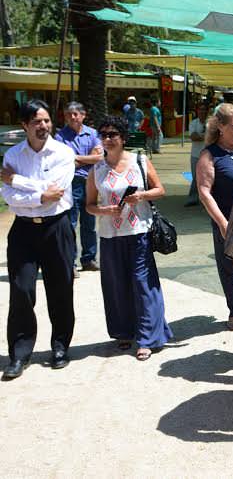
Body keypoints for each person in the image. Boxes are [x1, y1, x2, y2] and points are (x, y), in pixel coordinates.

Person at [85, 116, 172, 360]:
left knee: (142, 283)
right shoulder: (97, 169)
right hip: (110, 235)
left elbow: (160, 190)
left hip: (138, 233)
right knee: (115, 285)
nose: (108, 139)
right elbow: (89, 205)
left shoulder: (139, 161)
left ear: (123, 138)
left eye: (113, 134)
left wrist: (141, 195)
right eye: (103, 134)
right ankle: (123, 332)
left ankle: (147, 337)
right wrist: (103, 210)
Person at [1, 100, 76, 380]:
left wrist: (18, 182)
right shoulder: (13, 155)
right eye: (36, 122)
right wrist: (38, 196)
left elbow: (55, 192)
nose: (43, 126)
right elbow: (8, 198)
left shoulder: (63, 153)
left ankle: (60, 347)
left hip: (56, 227)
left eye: (46, 121)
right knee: (21, 290)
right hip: (23, 231)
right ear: (24, 125)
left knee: (61, 289)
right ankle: (19, 355)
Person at [196, 103, 233, 331]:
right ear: (220, 127)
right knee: (230, 265)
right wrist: (222, 223)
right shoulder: (210, 155)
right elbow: (204, 191)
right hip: (227, 219)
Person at [55, 101, 103, 274]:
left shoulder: (93, 134)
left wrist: (76, 158)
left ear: (83, 115)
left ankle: (89, 259)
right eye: (69, 114)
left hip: (91, 182)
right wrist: (88, 157)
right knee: (71, 224)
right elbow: (64, 161)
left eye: (76, 113)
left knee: (89, 222)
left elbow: (99, 158)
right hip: (71, 183)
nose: (72, 117)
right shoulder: (60, 137)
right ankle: (71, 263)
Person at [186, 107, 208, 206]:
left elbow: (214, 137)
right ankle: (193, 198)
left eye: (204, 110)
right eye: (200, 110)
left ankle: (206, 199)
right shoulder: (193, 123)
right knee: (195, 176)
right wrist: (206, 136)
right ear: (197, 112)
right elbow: (194, 137)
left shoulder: (211, 124)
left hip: (208, 155)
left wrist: (201, 136)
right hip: (196, 154)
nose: (202, 112)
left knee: (207, 177)